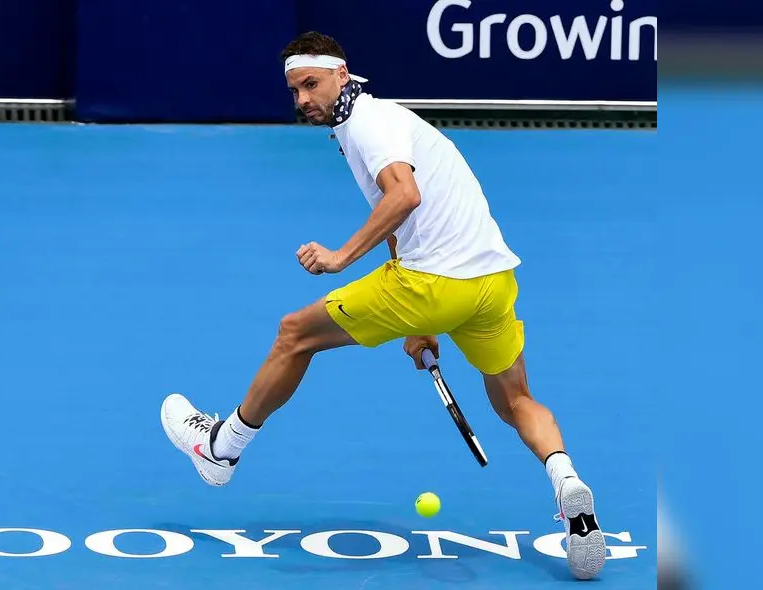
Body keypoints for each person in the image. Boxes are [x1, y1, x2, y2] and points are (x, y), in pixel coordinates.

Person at [159, 31, 607, 580]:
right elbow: (401, 216)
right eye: (294, 90)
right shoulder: (372, 122)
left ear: (341, 74)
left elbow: (404, 195)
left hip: (434, 284)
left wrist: (342, 256)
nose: (302, 99)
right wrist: (420, 327)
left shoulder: (369, 126)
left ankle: (220, 451)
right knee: (517, 401)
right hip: (491, 283)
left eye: (311, 84)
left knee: (294, 333)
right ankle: (568, 487)